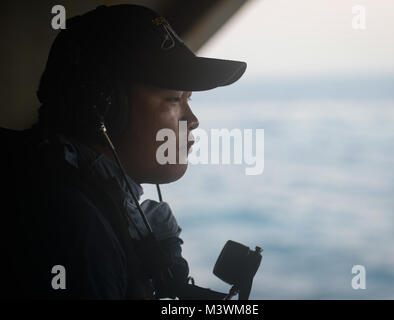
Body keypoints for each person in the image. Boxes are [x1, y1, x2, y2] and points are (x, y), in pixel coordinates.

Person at [1, 4, 246, 299]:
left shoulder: (67, 185)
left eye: (188, 99)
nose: (192, 120)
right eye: (173, 99)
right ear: (106, 106)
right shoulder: (74, 231)